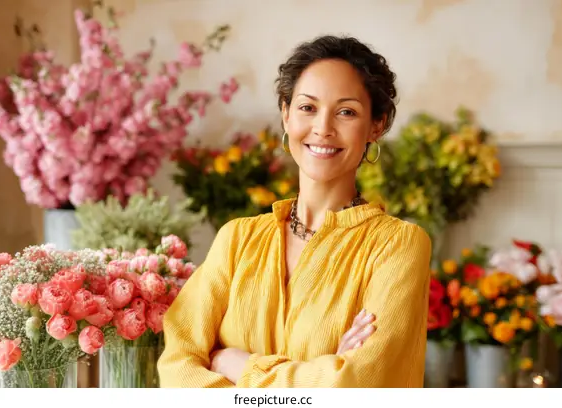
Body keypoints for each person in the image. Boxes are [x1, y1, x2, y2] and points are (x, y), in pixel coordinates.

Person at [157, 34, 432, 388]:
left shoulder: (398, 246)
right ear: (286, 115)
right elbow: (177, 369)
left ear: (375, 126)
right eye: (307, 107)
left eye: (346, 112)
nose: (323, 128)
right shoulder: (237, 239)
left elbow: (355, 385)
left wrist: (236, 364)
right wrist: (321, 371)